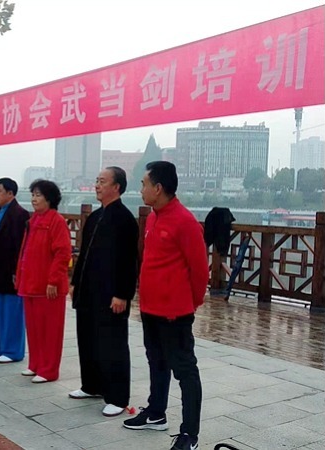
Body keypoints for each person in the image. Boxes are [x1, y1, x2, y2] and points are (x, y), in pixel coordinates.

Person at [123, 161, 207, 450]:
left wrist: (189, 304)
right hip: (151, 309)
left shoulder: (185, 222)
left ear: (158, 188)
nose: (141, 189)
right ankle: (156, 413)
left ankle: (189, 434)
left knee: (185, 371)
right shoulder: (153, 217)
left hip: (175, 313)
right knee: (156, 362)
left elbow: (200, 271)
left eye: (144, 184)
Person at [69, 167, 139, 417]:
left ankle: (118, 397)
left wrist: (122, 294)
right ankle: (91, 385)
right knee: (87, 338)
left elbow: (129, 261)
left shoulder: (124, 219)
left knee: (113, 343)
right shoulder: (95, 217)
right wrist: (75, 282)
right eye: (97, 181)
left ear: (116, 187)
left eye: (102, 181)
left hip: (111, 294)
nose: (97, 186)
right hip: (88, 290)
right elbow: (83, 254)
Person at [15, 180, 72, 383]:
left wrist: (53, 281)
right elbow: (24, 253)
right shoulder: (33, 221)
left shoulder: (56, 221)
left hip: (48, 287)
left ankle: (49, 370)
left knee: (50, 331)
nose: (34, 199)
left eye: (38, 195)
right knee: (34, 328)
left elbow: (63, 253)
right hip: (30, 283)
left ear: (49, 198)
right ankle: (36, 364)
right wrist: (19, 277)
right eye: (33, 194)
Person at [0, 178, 30, 363]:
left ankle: (13, 351)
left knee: (11, 312)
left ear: (10, 193)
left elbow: (20, 247)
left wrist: (17, 271)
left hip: (9, 272)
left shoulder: (20, 214)